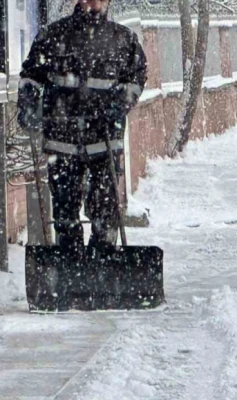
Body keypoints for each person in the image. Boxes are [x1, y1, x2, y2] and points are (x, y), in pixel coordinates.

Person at [17, 0, 147, 248]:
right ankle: (68, 269)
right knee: (65, 213)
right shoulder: (53, 36)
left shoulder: (123, 40)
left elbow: (137, 76)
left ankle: (104, 264)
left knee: (105, 211)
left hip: (104, 141)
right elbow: (30, 76)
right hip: (62, 141)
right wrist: (27, 103)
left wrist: (120, 103)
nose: (93, 2)